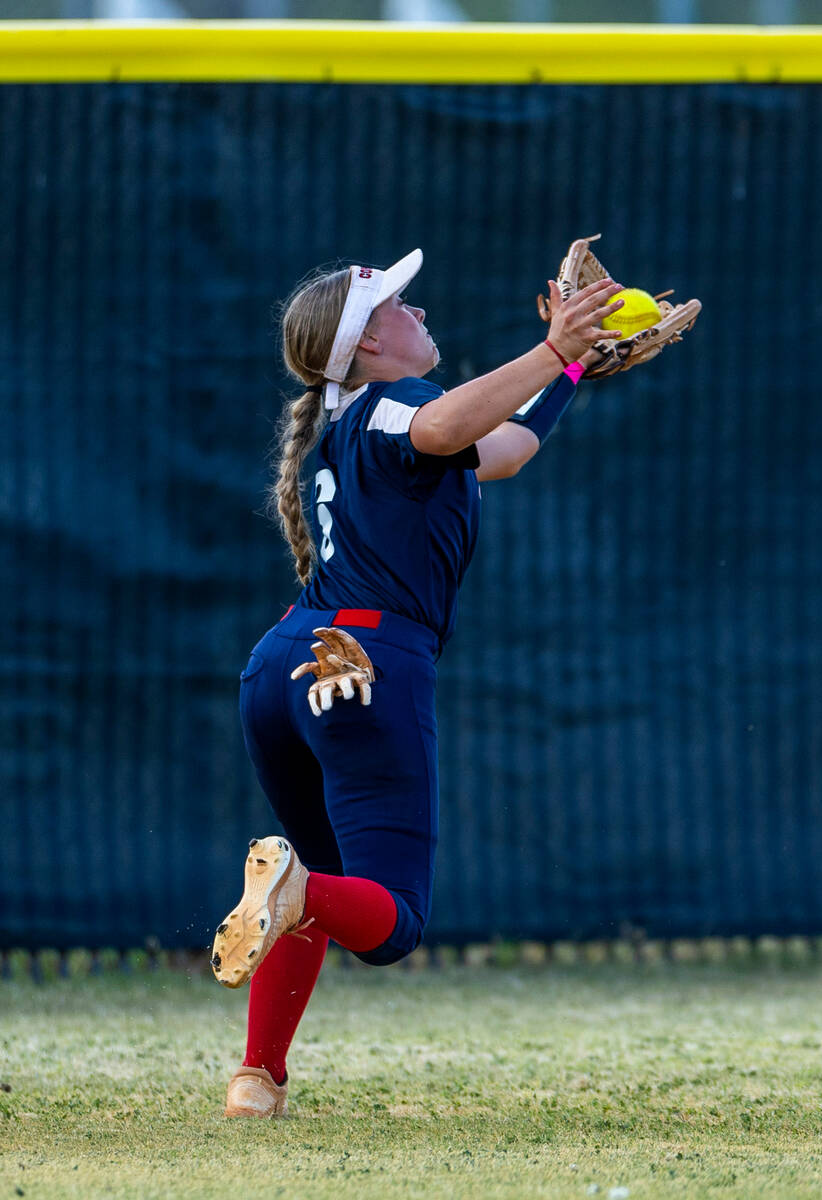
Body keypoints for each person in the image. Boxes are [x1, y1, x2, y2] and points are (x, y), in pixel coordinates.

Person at [211, 248, 624, 1118]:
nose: (420, 311)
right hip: (359, 667)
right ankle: (293, 892)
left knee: (313, 885)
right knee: (390, 922)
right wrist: (550, 349)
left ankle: (257, 1078)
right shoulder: (399, 407)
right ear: (365, 347)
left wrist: (576, 364)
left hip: (280, 667)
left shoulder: (348, 424)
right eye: (399, 305)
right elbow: (439, 428)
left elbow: (500, 450)